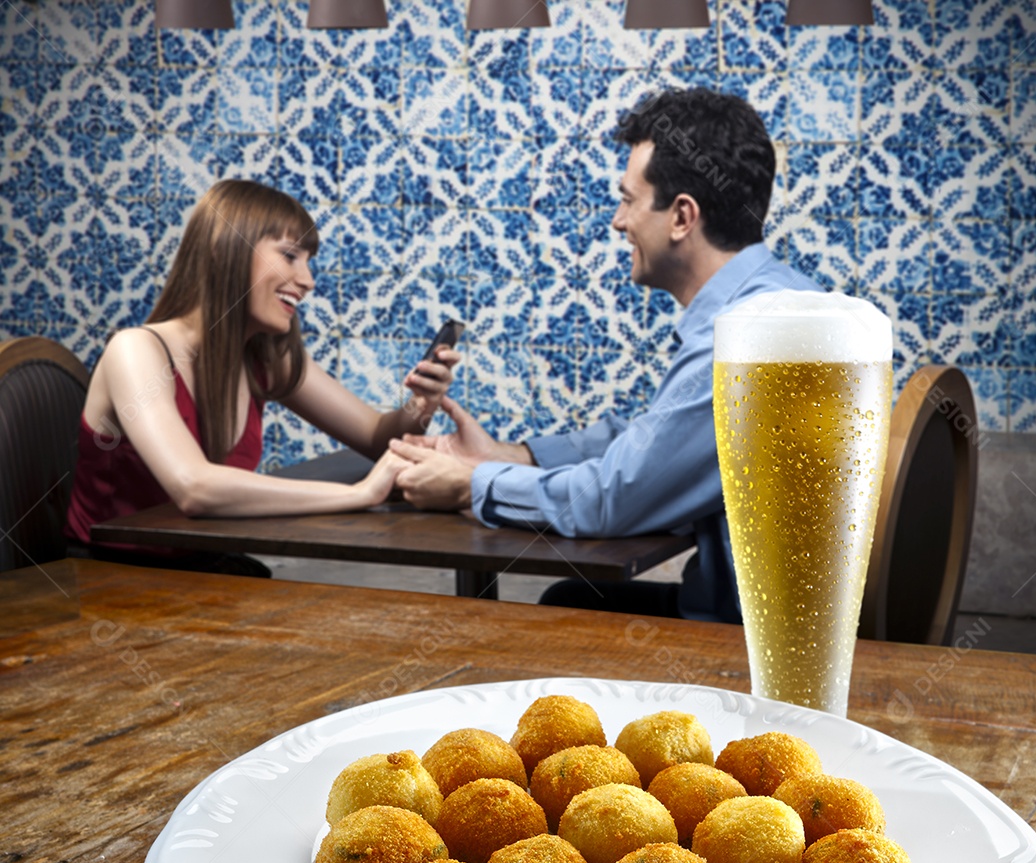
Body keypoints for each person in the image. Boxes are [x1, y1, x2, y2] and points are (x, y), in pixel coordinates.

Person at [388, 87, 820, 622]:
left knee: (559, 613)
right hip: (757, 625)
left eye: (628, 200)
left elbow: (613, 499)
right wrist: (511, 456)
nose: (619, 222)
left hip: (743, 648)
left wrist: (470, 484)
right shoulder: (782, 298)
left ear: (682, 216)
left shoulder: (743, 341)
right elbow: (653, 440)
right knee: (566, 604)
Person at [65, 179, 458, 575]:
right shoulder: (136, 350)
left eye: (308, 260)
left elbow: (378, 437)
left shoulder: (264, 359)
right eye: (289, 256)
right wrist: (359, 494)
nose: (308, 281)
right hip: (110, 578)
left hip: (199, 570)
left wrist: (420, 404)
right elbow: (194, 488)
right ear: (223, 251)